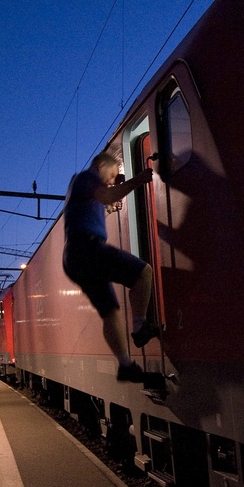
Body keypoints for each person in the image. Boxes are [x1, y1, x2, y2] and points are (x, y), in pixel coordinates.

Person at [62, 150, 160, 382]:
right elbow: (105, 196)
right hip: (87, 250)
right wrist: (137, 180)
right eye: (113, 173)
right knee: (143, 272)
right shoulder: (88, 177)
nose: (112, 179)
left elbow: (87, 214)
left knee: (110, 312)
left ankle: (126, 365)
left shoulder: (83, 188)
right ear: (100, 165)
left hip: (75, 258)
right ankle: (139, 327)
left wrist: (106, 210)